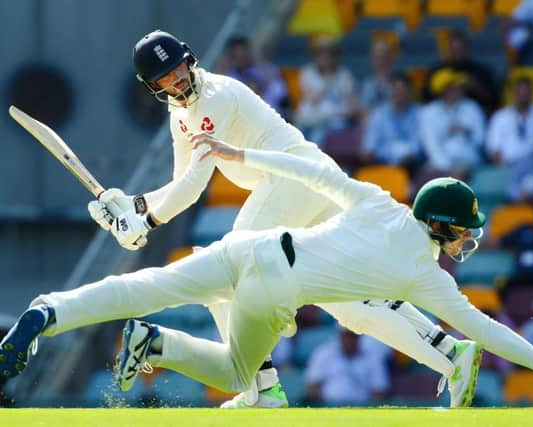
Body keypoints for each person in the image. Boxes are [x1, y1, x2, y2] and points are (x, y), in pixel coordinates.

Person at [2, 136, 533, 408]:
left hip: (251, 246)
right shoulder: (427, 278)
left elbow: (312, 174)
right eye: (464, 229)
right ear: (440, 226)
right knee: (243, 376)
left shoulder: (377, 200)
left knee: (146, 285)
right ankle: (156, 342)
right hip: (275, 289)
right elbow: (488, 332)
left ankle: (50, 309)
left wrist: (239, 157)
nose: (470, 238)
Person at [82, 30, 478, 408]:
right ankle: (451, 353)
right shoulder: (180, 114)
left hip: (294, 179)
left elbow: (194, 186)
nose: (176, 79)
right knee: (350, 302)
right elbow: (178, 183)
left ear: (189, 59)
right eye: (165, 77)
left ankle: (263, 387)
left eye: (179, 68)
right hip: (305, 181)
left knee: (229, 267)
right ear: (153, 85)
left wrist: (146, 222)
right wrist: (130, 207)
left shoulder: (215, 97)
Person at [294, 35, 358, 145]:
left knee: (318, 135)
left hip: (334, 120)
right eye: (320, 53)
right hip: (310, 118)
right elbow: (314, 99)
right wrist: (326, 81)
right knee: (297, 132)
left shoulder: (344, 75)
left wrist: (340, 113)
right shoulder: (307, 72)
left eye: (328, 53)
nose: (324, 57)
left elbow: (351, 106)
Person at [419, 68, 485, 174]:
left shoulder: (472, 107)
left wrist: (466, 131)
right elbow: (431, 146)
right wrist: (448, 169)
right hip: (438, 165)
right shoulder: (429, 112)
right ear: (442, 90)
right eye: (452, 87)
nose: (458, 89)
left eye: (458, 86)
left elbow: (480, 140)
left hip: (468, 162)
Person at [305, 328, 389, 405]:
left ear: (359, 337)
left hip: (361, 408)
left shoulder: (372, 357)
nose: (349, 340)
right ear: (340, 335)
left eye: (353, 336)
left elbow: (378, 390)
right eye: (346, 335)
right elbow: (313, 385)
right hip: (329, 407)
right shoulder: (323, 353)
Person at [423, 29, 497, 113]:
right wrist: (446, 89)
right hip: (441, 113)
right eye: (453, 48)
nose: (456, 52)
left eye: (460, 48)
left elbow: (493, 100)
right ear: (447, 49)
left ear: (467, 48)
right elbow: (426, 98)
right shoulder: (436, 70)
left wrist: (476, 87)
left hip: (474, 113)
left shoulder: (481, 71)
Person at [361, 72, 422, 172]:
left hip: (409, 163)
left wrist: (408, 157)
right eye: (395, 89)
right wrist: (370, 154)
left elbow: (417, 146)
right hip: (382, 162)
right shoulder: (378, 114)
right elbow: (370, 146)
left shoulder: (419, 113)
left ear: (409, 91)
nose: (398, 93)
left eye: (402, 90)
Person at [221, 36, 288, 114]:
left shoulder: (266, 69)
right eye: (236, 56)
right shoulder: (229, 77)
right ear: (231, 56)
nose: (240, 59)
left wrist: (264, 82)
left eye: (243, 55)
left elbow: (280, 93)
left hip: (271, 115)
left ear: (249, 52)